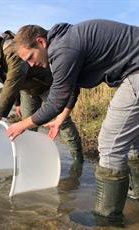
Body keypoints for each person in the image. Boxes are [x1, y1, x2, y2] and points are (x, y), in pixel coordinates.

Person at [8, 19, 139, 226]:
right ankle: (135, 194)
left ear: (41, 42)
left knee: (109, 143)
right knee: (131, 141)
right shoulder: (65, 41)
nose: (31, 64)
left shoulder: (62, 49)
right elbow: (72, 88)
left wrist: (21, 125)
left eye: (31, 57)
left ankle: (106, 218)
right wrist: (60, 120)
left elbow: (56, 100)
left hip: (136, 73)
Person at [0, 31, 83, 162]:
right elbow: (7, 82)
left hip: (46, 84)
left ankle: (78, 159)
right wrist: (17, 103)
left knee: (62, 121)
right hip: (27, 91)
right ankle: (31, 160)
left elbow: (12, 80)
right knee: (27, 126)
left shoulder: (10, 49)